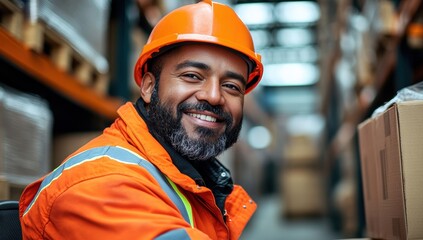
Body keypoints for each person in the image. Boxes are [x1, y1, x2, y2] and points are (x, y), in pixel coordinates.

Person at [19, 0, 263, 239]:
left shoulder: (190, 181)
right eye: (192, 75)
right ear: (148, 87)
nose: (213, 96)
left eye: (231, 86)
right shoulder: (102, 186)